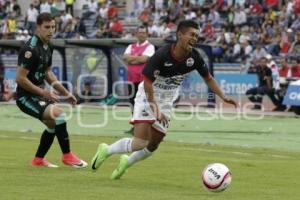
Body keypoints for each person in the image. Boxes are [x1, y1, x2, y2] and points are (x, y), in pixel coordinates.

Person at [91, 20, 237, 180]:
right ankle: (106, 150)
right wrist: (155, 108)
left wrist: (223, 96)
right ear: (180, 35)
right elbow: (147, 83)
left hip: (166, 101)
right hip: (148, 97)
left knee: (154, 144)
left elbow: (208, 78)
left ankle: (126, 162)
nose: (195, 38)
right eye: (192, 35)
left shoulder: (194, 57)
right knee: (140, 142)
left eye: (197, 35)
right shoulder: (161, 55)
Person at [15, 13, 87, 168]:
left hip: (37, 95)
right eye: (47, 27)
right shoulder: (30, 49)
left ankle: (38, 160)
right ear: (38, 27)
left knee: (53, 125)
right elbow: (20, 79)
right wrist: (43, 93)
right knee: (59, 114)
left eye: (53, 27)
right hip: (25, 98)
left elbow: (48, 73)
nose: (51, 31)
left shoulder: (48, 46)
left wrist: (66, 93)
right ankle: (67, 156)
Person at [122, 25, 155, 134]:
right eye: (139, 32)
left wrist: (132, 59)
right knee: (132, 103)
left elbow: (144, 59)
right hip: (131, 79)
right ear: (136, 34)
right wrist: (138, 59)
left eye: (143, 32)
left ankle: (147, 128)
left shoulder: (150, 47)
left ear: (147, 34)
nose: (141, 34)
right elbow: (125, 58)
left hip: (143, 80)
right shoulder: (130, 46)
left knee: (144, 104)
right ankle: (135, 126)